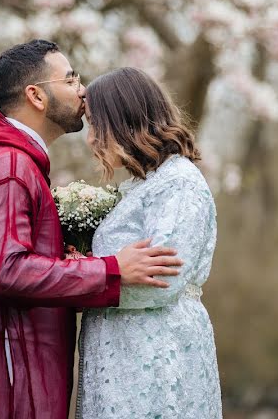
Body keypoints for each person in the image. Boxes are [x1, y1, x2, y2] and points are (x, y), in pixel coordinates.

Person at [0, 41, 184, 419]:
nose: (83, 89)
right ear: (36, 96)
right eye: (71, 78)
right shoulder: (10, 166)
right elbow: (8, 270)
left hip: (11, 357)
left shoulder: (14, 161)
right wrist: (110, 269)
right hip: (5, 367)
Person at [76, 67, 222, 419]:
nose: (90, 138)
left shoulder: (180, 184)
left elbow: (162, 281)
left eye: (96, 125)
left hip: (157, 357)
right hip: (124, 355)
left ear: (124, 120)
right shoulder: (143, 185)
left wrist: (84, 280)